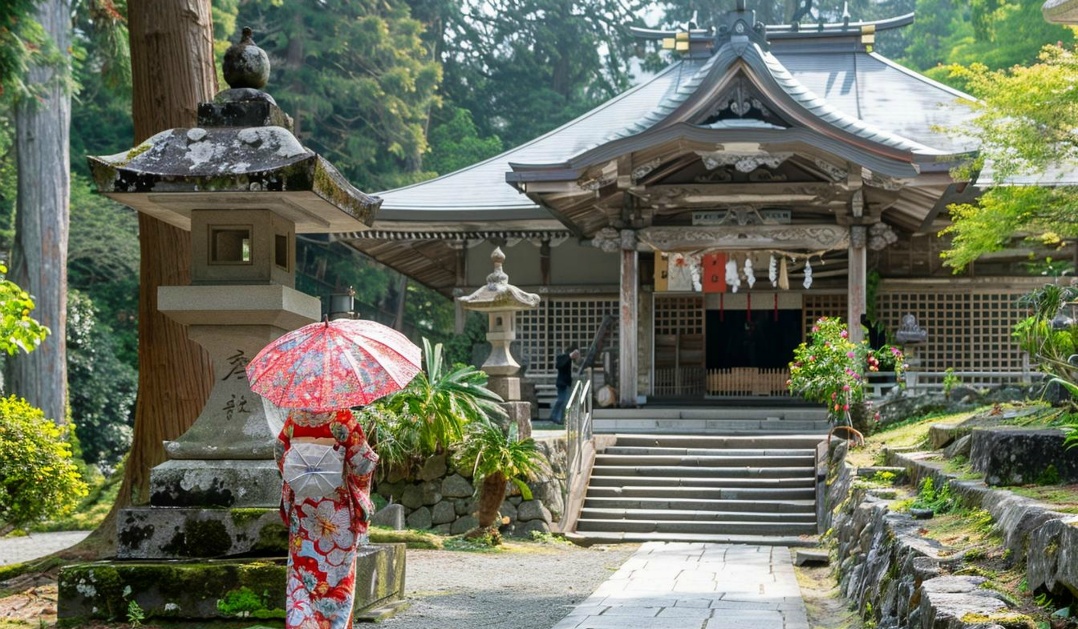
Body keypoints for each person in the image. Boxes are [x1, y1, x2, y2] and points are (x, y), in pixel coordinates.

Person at [275, 408, 378, 629]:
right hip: (336, 511)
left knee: (303, 573)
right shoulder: (343, 419)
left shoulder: (295, 419)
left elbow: (280, 455)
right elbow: (363, 462)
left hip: (304, 511)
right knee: (338, 577)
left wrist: (305, 474)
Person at [550, 347, 580, 424]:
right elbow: (559, 366)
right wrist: (569, 356)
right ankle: (555, 416)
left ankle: (560, 418)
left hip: (566, 383)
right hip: (562, 383)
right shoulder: (562, 358)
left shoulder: (570, 360)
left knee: (564, 401)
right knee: (562, 400)